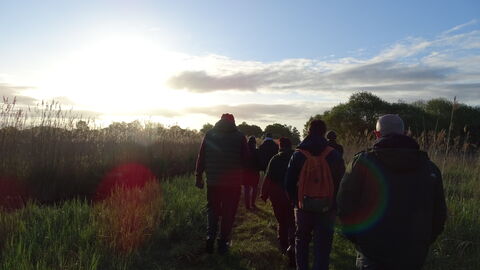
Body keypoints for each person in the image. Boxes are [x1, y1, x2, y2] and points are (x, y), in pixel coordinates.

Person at [337, 114, 447, 270]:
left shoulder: (361, 163)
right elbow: (439, 213)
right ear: (404, 133)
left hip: (371, 251)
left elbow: (344, 204)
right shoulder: (430, 168)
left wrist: (357, 238)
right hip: (412, 254)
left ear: (376, 135)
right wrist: (423, 241)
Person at [285, 120, 345, 270]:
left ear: (308, 132)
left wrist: (296, 202)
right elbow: (342, 182)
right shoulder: (334, 154)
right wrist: (334, 205)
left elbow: (288, 183)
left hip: (303, 206)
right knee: (323, 245)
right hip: (327, 207)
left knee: (302, 240)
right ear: (324, 133)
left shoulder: (298, 154)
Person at [195, 113, 249, 254]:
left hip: (213, 182)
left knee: (212, 210)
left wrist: (198, 177)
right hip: (232, 184)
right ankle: (223, 243)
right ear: (233, 121)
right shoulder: (240, 137)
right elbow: (246, 160)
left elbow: (201, 157)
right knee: (228, 213)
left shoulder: (210, 134)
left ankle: (209, 238)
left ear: (220, 120)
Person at [261, 137, 296, 267]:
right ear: (290, 145)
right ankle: (293, 245)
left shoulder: (275, 159)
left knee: (282, 221)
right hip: (293, 195)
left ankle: (283, 246)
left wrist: (264, 194)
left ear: (280, 146)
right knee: (293, 221)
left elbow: (268, 178)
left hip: (277, 195)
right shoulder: (297, 157)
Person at [244, 136, 260, 210]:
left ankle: (247, 205)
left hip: (246, 172)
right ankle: (253, 204)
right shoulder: (257, 151)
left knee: (246, 188)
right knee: (254, 188)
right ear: (254, 143)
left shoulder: (245, 151)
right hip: (255, 172)